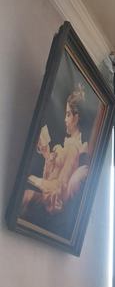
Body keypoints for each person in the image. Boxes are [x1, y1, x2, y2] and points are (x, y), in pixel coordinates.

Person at [22, 84, 90, 215]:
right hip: (48, 195)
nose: (65, 119)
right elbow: (50, 178)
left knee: (26, 196)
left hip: (52, 202)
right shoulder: (68, 145)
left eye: (68, 115)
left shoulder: (73, 148)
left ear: (76, 118)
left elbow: (59, 186)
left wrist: (33, 179)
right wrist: (47, 156)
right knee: (26, 195)